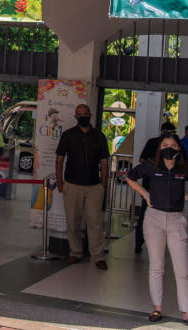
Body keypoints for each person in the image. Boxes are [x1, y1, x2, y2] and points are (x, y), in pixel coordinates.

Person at [125, 134, 188, 326]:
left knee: (183, 268)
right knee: (156, 266)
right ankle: (157, 307)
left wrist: (186, 196)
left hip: (176, 220)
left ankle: (187, 311)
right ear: (159, 148)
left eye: (173, 145)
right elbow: (130, 177)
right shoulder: (152, 166)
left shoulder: (185, 169)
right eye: (165, 145)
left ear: (179, 149)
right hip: (154, 219)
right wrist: (144, 194)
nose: (169, 148)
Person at [54, 103, 110, 269]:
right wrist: (60, 182)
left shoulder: (99, 136)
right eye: (80, 114)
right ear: (76, 117)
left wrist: (103, 184)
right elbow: (59, 159)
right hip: (72, 184)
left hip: (94, 186)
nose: (83, 116)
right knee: (73, 221)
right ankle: (75, 252)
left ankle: (98, 256)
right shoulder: (68, 135)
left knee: (95, 221)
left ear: (90, 115)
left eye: (85, 113)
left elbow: (104, 162)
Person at [135, 121, 178, 253]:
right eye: (166, 132)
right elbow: (141, 160)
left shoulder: (176, 145)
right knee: (144, 214)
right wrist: (153, 163)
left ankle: (162, 244)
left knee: (167, 215)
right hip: (150, 184)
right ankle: (139, 242)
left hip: (168, 185)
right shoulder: (152, 142)